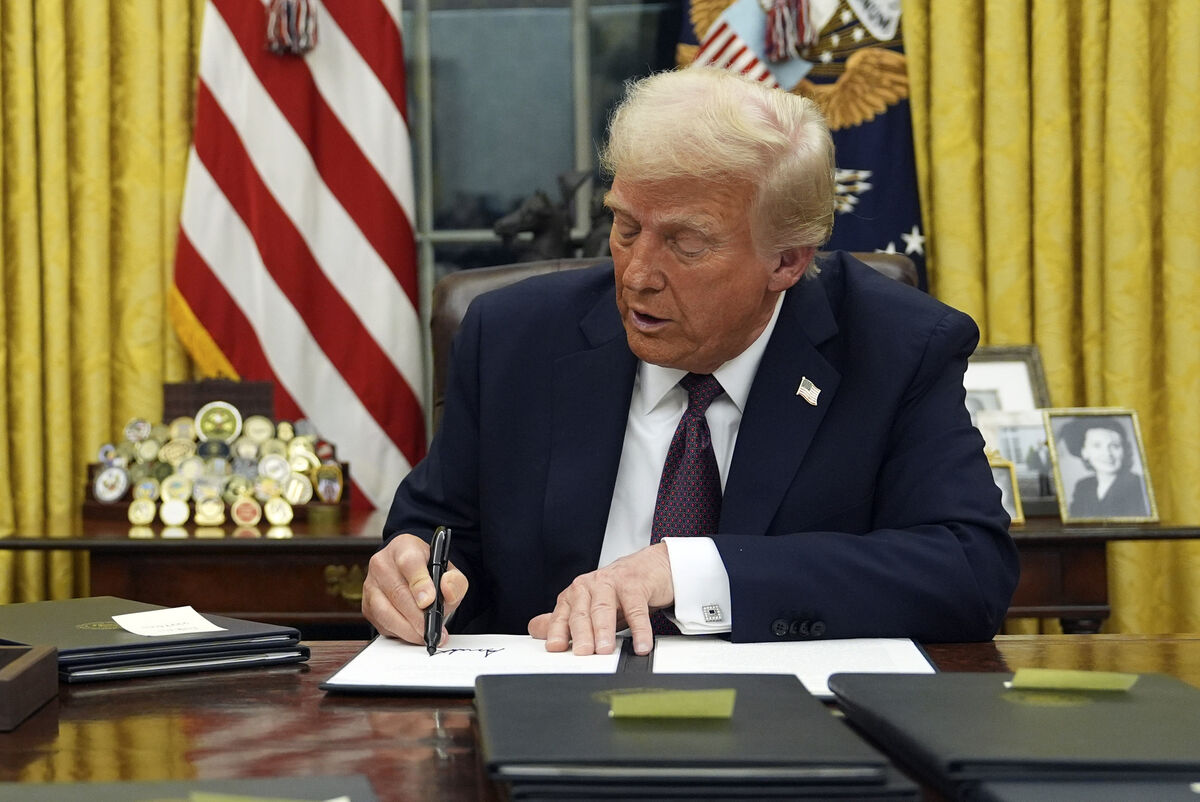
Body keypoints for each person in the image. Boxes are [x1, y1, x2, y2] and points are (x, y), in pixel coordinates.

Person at [362, 67, 1019, 656]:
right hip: (546, 723)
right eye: (624, 228)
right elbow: (438, 534)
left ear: (786, 261)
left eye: (685, 243)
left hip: (788, 740)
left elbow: (967, 572)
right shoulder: (514, 338)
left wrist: (690, 572)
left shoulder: (894, 346)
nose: (639, 275)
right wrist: (412, 573)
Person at [1061, 417, 1150, 518]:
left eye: (1115, 446)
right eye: (1097, 446)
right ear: (1084, 452)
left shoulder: (1139, 485)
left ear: (1124, 450)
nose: (1107, 454)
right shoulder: (1083, 487)